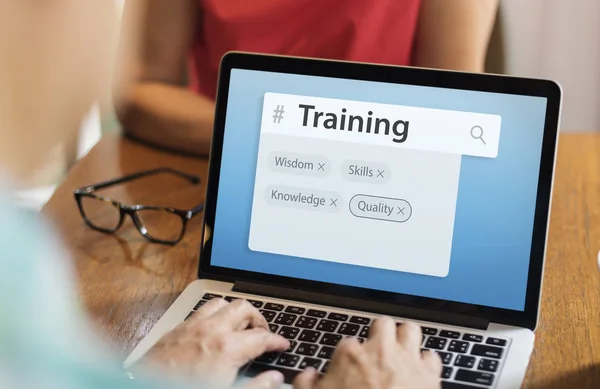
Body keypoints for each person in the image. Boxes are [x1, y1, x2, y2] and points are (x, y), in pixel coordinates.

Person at [0, 1, 442, 389]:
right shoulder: (22, 271)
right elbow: (140, 88)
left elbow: (452, 96)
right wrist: (277, 138)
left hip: (392, 226)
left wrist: (162, 375)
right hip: (254, 207)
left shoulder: (22, 261)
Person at [116, 0, 498, 157]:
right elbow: (140, 90)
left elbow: (454, 114)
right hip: (224, 179)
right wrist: (285, 138)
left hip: (384, 176)